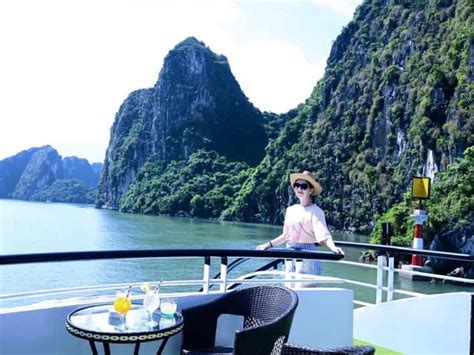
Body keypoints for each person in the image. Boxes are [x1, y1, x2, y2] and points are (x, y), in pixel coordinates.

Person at [256, 171, 344, 277]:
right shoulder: (291, 210)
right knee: (289, 288)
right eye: (297, 186)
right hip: (289, 252)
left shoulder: (315, 211)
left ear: (311, 190)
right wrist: (267, 245)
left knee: (306, 289)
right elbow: (286, 236)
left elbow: (323, 234)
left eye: (303, 186)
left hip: (307, 253)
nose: (299, 189)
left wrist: (333, 248)